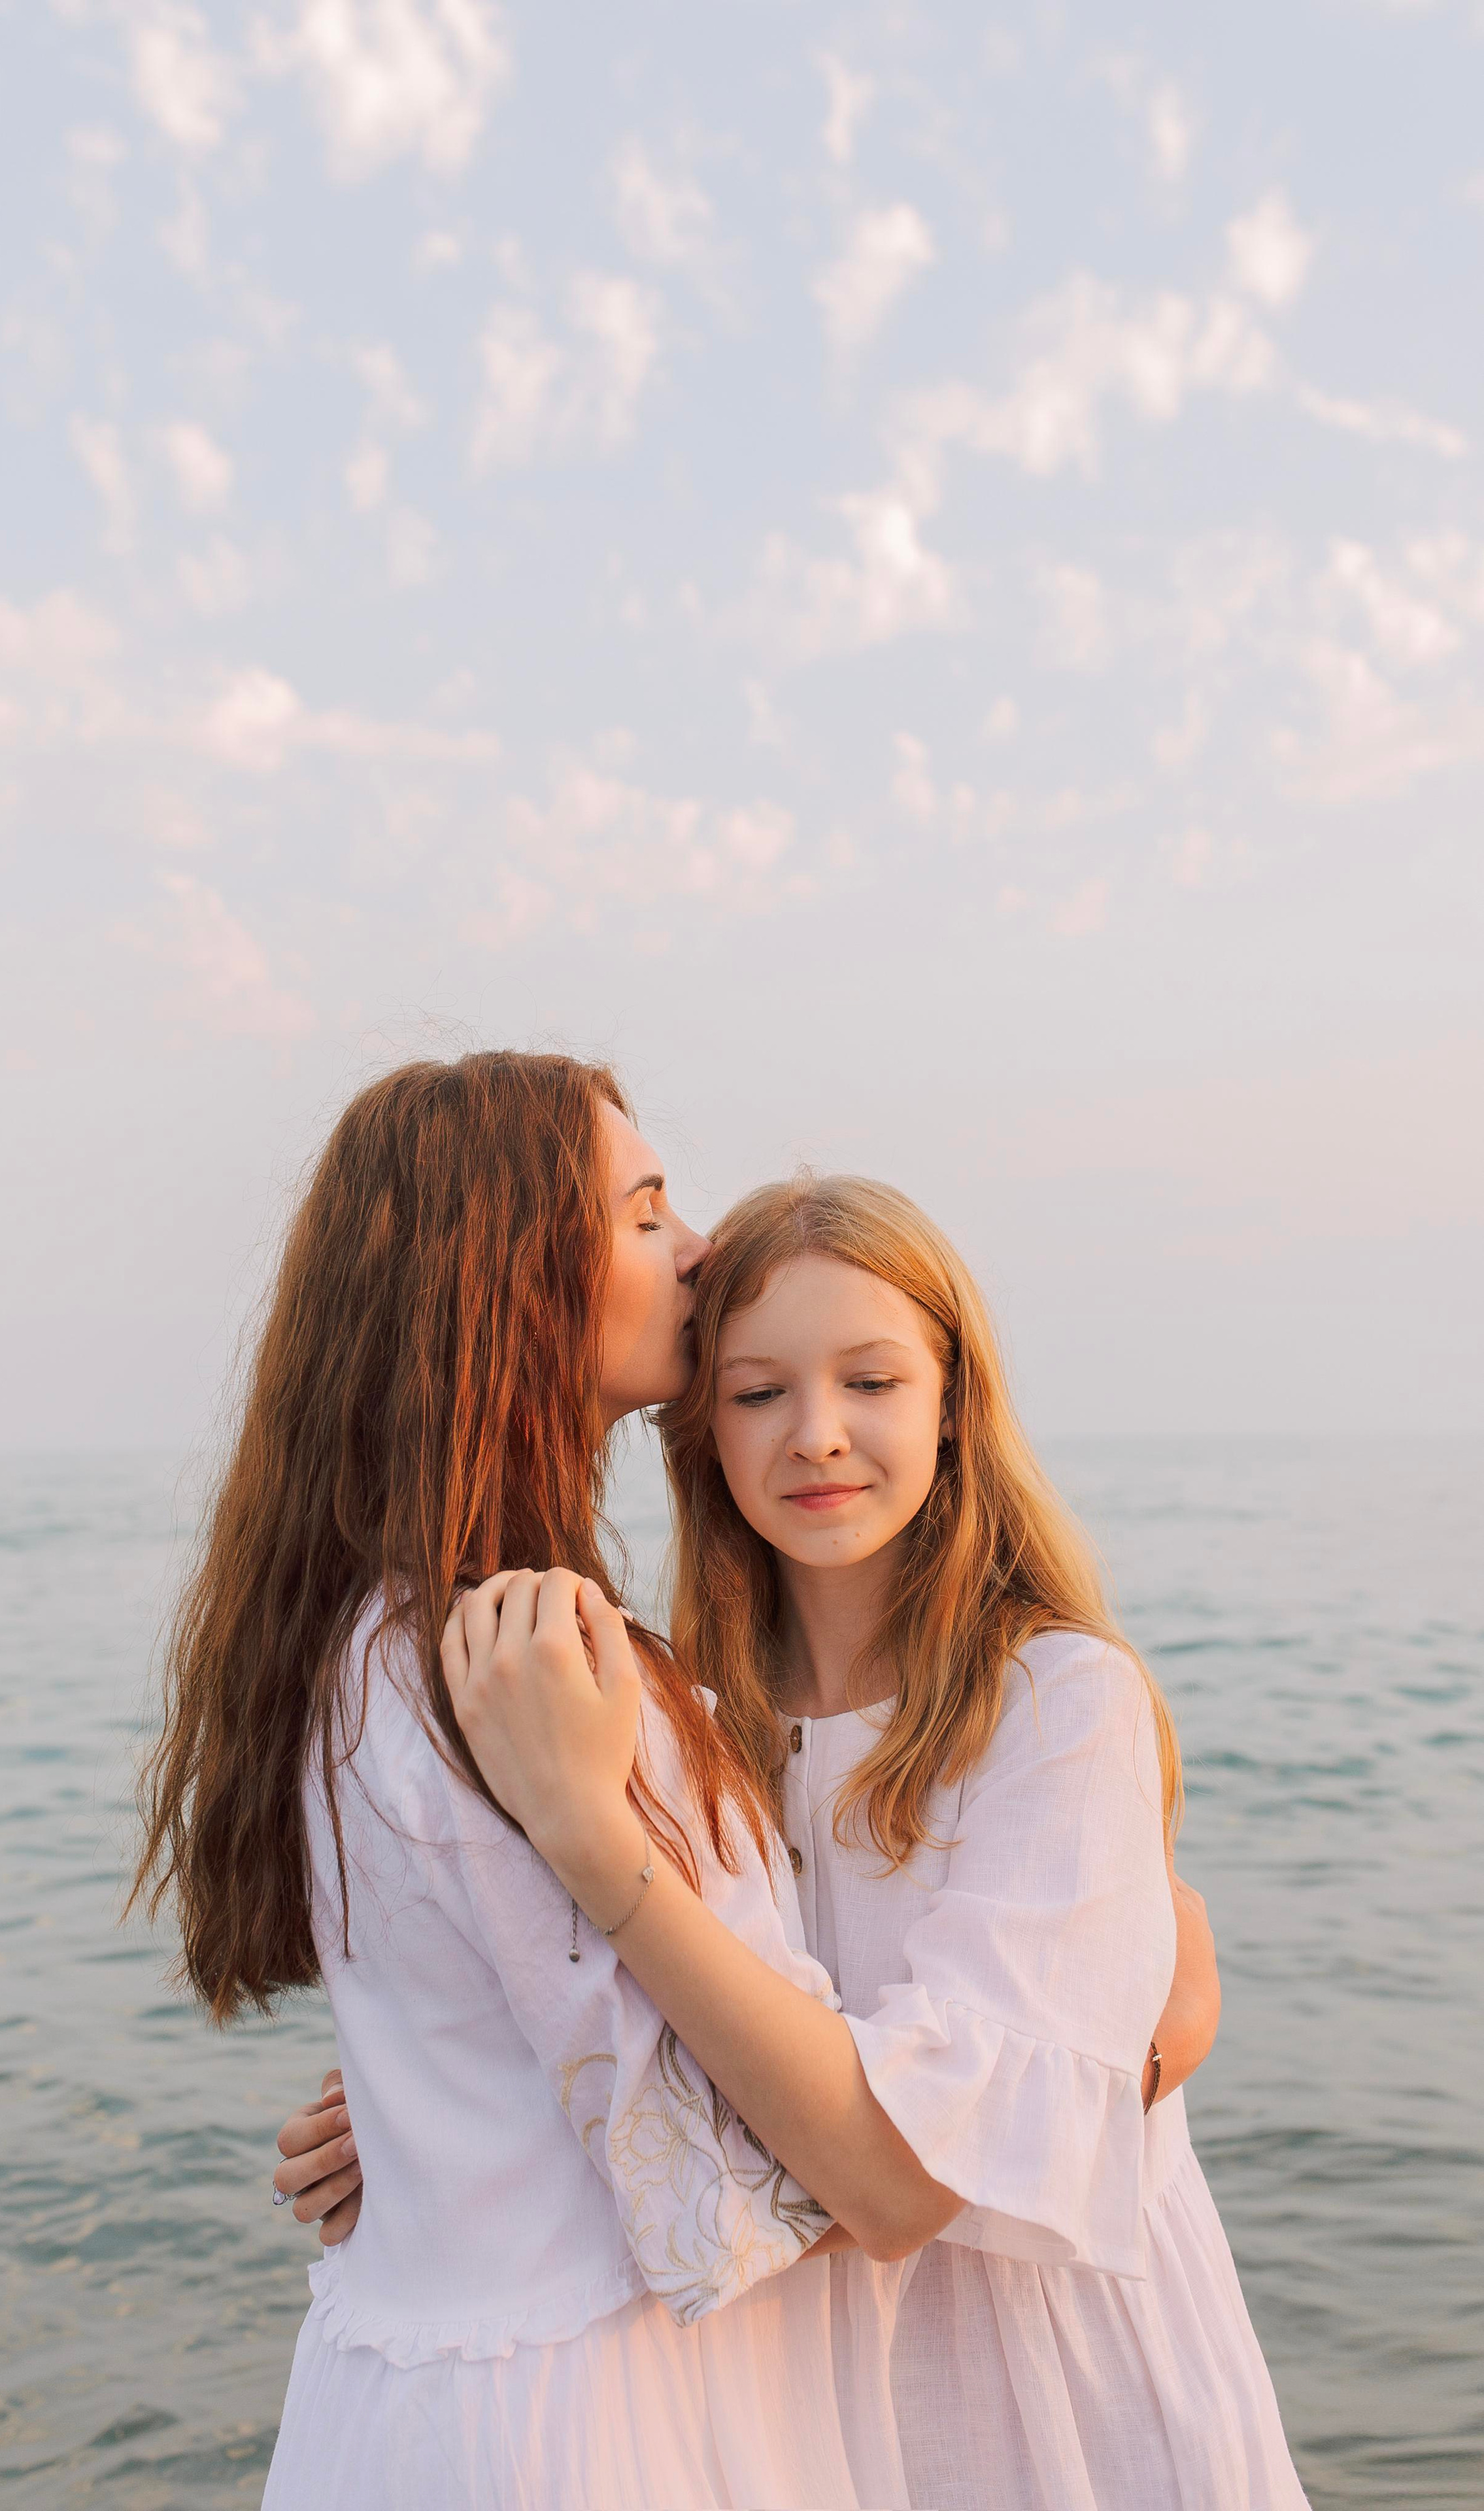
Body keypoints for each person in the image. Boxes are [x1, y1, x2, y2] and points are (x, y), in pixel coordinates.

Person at [132, 1053, 979, 2511]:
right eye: (644, 1212)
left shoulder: (358, 1644)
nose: (697, 1246)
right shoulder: (546, 1666)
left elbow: (515, 2036)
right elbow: (772, 2179)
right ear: (511, 1278)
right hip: (599, 2421)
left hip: (396, 2397)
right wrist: (1079, 2060)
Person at [431, 1174, 1310, 2510]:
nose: (817, 1436)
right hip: (786, 2381)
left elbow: (909, 2175)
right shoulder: (679, 1715)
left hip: (1051, 2382)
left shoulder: (1056, 1701)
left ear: (953, 1403)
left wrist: (589, 1843)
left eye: (871, 1382)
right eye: (758, 1391)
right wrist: (453, 2119)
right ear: (702, 1430)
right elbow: (646, 2049)